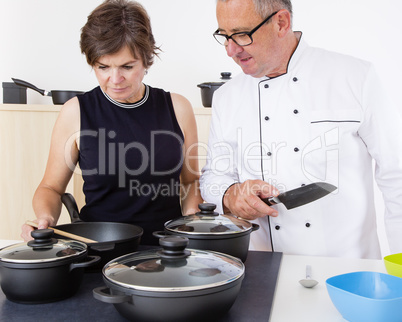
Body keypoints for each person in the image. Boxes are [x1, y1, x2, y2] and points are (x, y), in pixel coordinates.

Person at [200, 0, 402, 259]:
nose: (230, 50)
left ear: (281, 23)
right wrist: (230, 195)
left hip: (346, 269)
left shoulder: (356, 77)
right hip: (262, 271)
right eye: (224, 36)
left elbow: (396, 174)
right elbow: (213, 178)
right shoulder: (227, 97)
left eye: (241, 35)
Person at [21, 0, 203, 245]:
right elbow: (50, 188)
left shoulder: (177, 107)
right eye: (103, 67)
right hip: (99, 249)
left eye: (127, 66)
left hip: (166, 249)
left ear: (147, 60)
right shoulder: (75, 111)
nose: (115, 79)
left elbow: (190, 181)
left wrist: (193, 217)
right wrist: (45, 218)